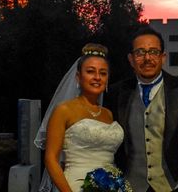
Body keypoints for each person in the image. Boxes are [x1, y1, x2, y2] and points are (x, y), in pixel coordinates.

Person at [105, 25, 178, 192]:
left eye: (154, 52)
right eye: (140, 52)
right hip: (129, 187)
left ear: (163, 57)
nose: (147, 58)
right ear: (131, 59)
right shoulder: (115, 93)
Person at [34, 44, 125, 192]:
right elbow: (51, 159)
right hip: (75, 186)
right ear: (78, 77)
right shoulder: (63, 110)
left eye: (103, 73)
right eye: (90, 71)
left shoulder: (108, 114)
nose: (97, 77)